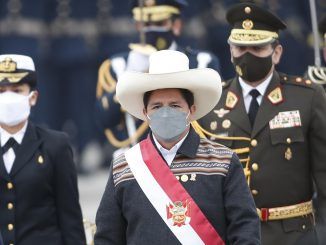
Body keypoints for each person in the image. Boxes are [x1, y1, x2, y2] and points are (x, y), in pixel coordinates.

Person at [94, 50, 260, 244]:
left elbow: (245, 230)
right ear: (144, 112)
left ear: (192, 110)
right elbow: (107, 237)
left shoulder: (223, 162)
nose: (165, 113)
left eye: (174, 106)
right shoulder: (124, 166)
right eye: (156, 106)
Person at [196, 2, 326, 245]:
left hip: (296, 235)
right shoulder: (211, 103)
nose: (247, 54)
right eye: (240, 47)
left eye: (257, 47)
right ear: (230, 50)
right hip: (232, 235)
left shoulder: (307, 97)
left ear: (276, 53)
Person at [94, 0, 221, 160]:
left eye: (159, 22)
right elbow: (104, 119)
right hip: (139, 162)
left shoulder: (201, 62)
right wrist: (132, 77)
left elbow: (213, 115)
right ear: (138, 26)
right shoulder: (120, 65)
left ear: (176, 25)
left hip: (190, 158)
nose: (150, 29)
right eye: (145, 23)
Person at [0, 54, 86, 244]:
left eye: (16, 90)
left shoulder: (55, 145)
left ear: (33, 97)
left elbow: (70, 219)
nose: (7, 97)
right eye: (1, 90)